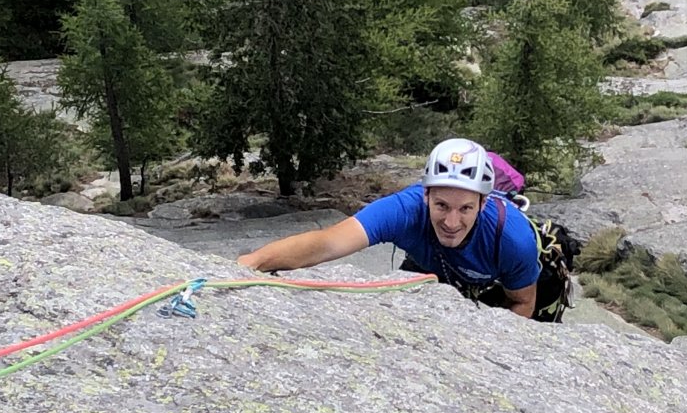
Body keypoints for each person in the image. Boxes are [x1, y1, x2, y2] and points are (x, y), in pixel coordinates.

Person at [234, 137, 572, 321]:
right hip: (440, 268)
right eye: (441, 205)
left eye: (465, 208)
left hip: (501, 283)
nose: (451, 222)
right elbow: (328, 243)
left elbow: (522, 304)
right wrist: (251, 263)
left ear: (483, 203)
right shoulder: (404, 210)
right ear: (425, 195)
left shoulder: (511, 238)